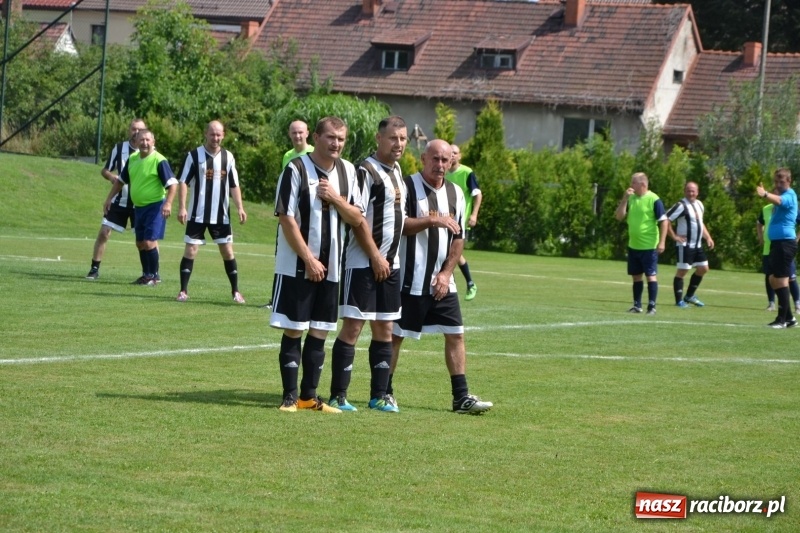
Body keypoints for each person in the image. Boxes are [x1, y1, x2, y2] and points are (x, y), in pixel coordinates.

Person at [390, 139, 493, 414]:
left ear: (451, 162)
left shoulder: (457, 193)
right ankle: (383, 391)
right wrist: (433, 220)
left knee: (456, 334)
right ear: (423, 158)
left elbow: (459, 238)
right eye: (434, 159)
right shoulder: (407, 186)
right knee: (396, 336)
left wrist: (446, 274)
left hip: (442, 282)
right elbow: (399, 226)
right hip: (410, 280)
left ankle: (460, 397)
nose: (440, 165)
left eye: (445, 160)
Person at [270, 116, 364, 413]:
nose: (336, 143)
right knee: (294, 328)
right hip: (297, 265)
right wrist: (308, 259)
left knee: (321, 330)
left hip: (332, 266)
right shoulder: (295, 169)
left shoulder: (349, 171)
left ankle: (309, 397)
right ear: (316, 137)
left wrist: (336, 199)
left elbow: (357, 217)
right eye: (331, 137)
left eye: (341, 139)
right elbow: (286, 218)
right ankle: (289, 396)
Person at [327, 116, 408, 413]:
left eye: (402, 138)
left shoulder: (397, 171)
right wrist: (375, 256)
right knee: (353, 327)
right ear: (379, 138)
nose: (398, 143)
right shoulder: (366, 170)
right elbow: (358, 218)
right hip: (363, 262)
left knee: (385, 327)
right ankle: (338, 395)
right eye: (392, 138)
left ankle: (379, 396)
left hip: (390, 264)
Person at [175, 121, 247, 303]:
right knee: (191, 250)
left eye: (218, 135)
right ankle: (183, 291)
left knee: (227, 251)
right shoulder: (193, 155)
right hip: (197, 213)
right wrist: (182, 207)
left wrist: (240, 207)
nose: (215, 138)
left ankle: (236, 291)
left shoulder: (228, 157)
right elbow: (183, 181)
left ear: (223, 135)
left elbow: (234, 185)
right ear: (205, 134)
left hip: (220, 215)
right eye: (212, 134)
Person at [104, 129, 178, 286]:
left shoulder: (159, 160)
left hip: (155, 207)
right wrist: (109, 198)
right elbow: (120, 181)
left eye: (147, 140)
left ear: (153, 142)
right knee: (140, 243)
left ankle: (154, 276)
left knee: (150, 242)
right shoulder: (132, 159)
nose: (144, 143)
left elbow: (172, 184)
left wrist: (168, 203)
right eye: (141, 140)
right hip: (139, 208)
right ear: (136, 142)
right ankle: (146, 275)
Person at [86, 118, 151, 281]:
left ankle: (149, 273)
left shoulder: (150, 152)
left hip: (140, 204)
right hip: (119, 201)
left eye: (140, 129)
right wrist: (111, 177)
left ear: (145, 132)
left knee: (143, 241)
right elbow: (105, 170)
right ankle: (94, 269)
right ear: (129, 130)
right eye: (133, 129)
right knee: (104, 232)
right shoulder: (120, 148)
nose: (136, 132)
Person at [261, 121, 316, 309]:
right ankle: (275, 299)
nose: (297, 136)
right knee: (282, 256)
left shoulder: (313, 154)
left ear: (307, 133)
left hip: (307, 218)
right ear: (289, 134)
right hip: (288, 214)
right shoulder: (287, 156)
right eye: (294, 132)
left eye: (300, 132)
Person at [615, 172, 669, 315]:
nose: (630, 186)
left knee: (650, 275)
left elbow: (664, 221)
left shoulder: (654, 199)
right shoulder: (631, 198)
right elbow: (619, 217)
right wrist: (624, 199)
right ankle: (637, 305)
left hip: (649, 246)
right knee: (636, 276)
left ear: (642, 184)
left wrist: (662, 242)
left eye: (633, 183)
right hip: (634, 245)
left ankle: (652, 307)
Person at [756, 169, 798, 328]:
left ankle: (782, 320)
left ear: (789, 182)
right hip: (777, 244)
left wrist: (765, 194)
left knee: (780, 280)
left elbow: (780, 200)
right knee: (773, 279)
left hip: (785, 243)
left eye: (782, 182)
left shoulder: (790, 196)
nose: (778, 184)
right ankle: (790, 318)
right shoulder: (778, 199)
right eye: (776, 181)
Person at [666, 181, 715, 308]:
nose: (691, 193)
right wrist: (674, 236)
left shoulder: (699, 204)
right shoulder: (681, 205)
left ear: (697, 192)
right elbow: (666, 219)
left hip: (697, 245)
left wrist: (708, 237)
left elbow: (700, 224)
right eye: (688, 190)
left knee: (703, 268)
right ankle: (678, 301)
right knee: (683, 271)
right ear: (684, 191)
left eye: (693, 191)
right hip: (685, 245)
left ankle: (689, 296)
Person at [445, 144, 482, 301]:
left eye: (455, 153)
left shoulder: (467, 172)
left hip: (459, 221)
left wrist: (474, 214)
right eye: (450, 153)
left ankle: (466, 283)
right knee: (449, 252)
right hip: (443, 220)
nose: (452, 155)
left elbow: (477, 194)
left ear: (459, 156)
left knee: (452, 252)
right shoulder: (443, 171)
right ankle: (465, 283)